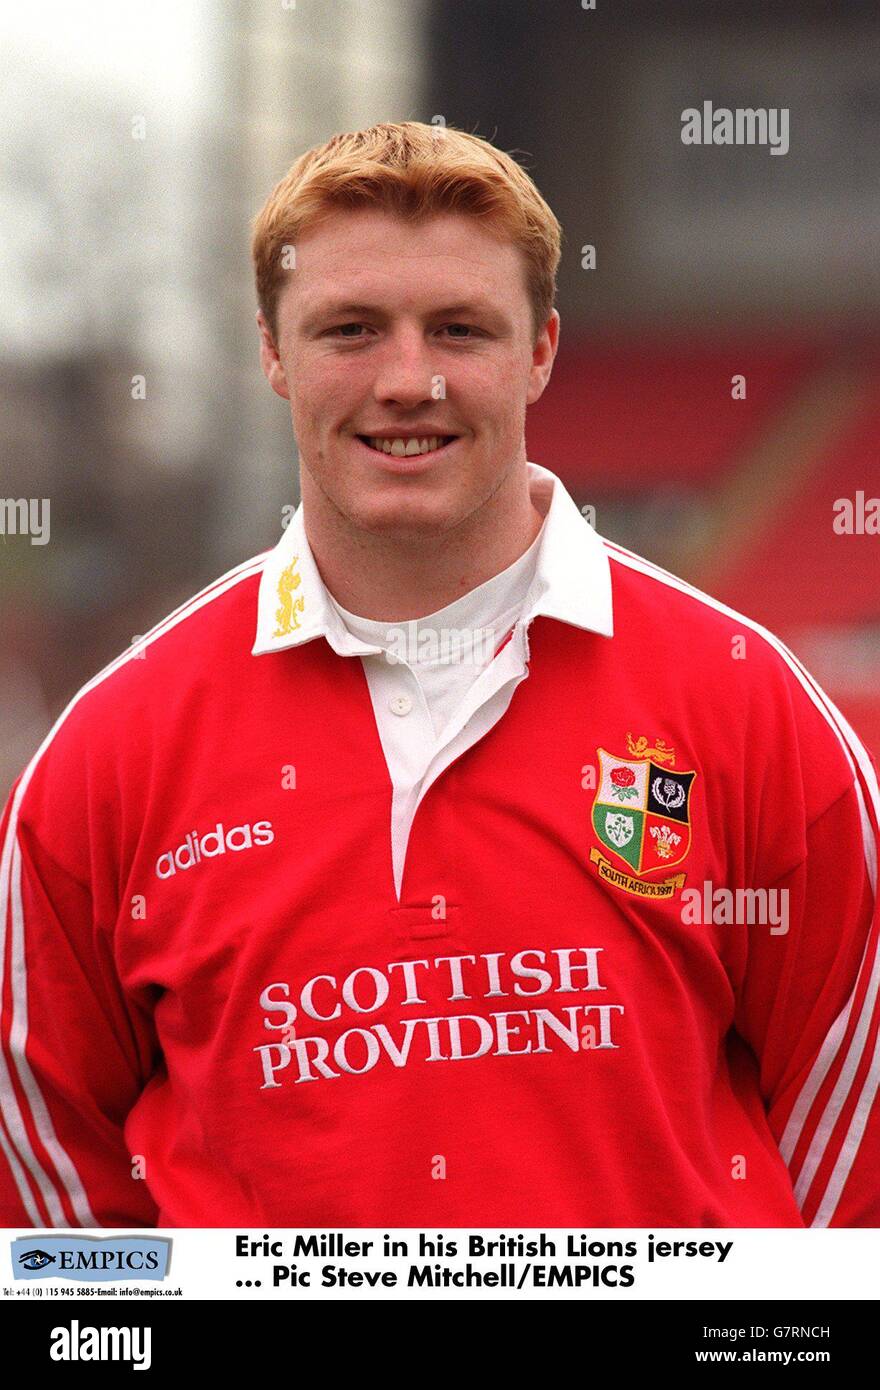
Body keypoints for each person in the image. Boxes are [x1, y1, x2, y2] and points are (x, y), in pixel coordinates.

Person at [1, 121, 878, 1229]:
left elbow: (858, 1160)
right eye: (350, 330)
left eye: (460, 329)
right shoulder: (114, 749)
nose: (407, 381)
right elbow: (45, 1186)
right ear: (273, 353)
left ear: (543, 351)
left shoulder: (746, 703)